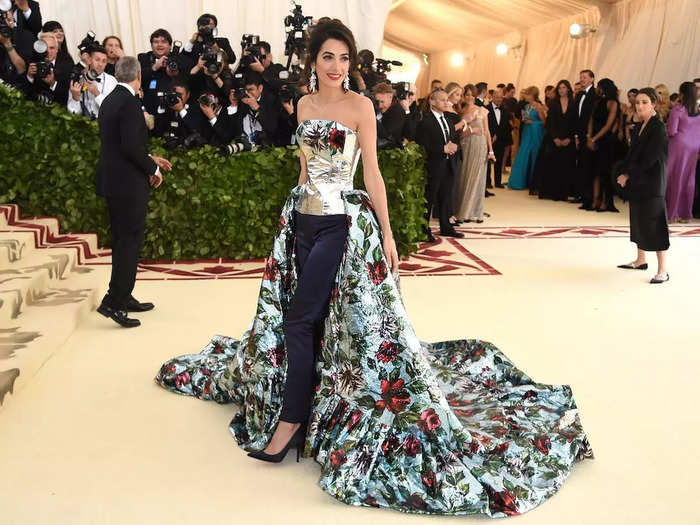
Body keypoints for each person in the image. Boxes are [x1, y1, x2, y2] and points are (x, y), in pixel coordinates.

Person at [154, 19, 592, 517]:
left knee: (298, 319)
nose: (337, 66)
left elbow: (373, 174)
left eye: (344, 58)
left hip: (342, 224)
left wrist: (386, 232)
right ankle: (313, 405)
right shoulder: (304, 105)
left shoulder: (361, 107)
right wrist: (292, 214)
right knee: (311, 321)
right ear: (313, 62)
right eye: (328, 57)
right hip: (302, 221)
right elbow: (303, 167)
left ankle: (292, 422)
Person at [95, 56, 172, 327]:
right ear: (138, 74)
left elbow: (121, 145)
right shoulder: (128, 102)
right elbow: (128, 147)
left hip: (116, 182)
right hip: (127, 184)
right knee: (129, 241)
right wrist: (153, 169)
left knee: (123, 241)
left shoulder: (110, 99)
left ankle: (123, 295)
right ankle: (114, 302)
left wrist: (150, 158)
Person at [616, 87, 669, 283]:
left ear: (654, 104)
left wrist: (628, 175)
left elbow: (650, 159)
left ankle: (663, 270)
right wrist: (624, 171)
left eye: (644, 102)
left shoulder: (658, 127)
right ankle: (640, 260)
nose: (639, 106)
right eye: (637, 102)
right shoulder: (640, 125)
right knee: (638, 219)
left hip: (653, 182)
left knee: (655, 224)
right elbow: (633, 155)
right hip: (639, 181)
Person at [416, 88, 464, 240]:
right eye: (442, 100)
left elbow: (453, 139)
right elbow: (422, 144)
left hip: (448, 164)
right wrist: (442, 149)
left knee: (446, 197)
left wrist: (455, 147)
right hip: (433, 165)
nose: (446, 102)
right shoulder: (425, 121)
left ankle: (446, 227)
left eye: (446, 100)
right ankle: (424, 229)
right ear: (432, 101)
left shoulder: (448, 120)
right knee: (429, 198)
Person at [455, 84, 495, 223]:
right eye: (467, 94)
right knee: (464, 176)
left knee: (477, 177)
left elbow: (487, 131)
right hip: (465, 146)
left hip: (480, 145)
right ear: (463, 96)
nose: (470, 97)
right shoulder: (460, 112)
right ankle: (463, 211)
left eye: (472, 95)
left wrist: (491, 150)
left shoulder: (482, 110)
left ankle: (475, 212)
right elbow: (457, 134)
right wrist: (470, 130)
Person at [665, 81, 700, 222]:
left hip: (678, 145)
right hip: (694, 146)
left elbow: (672, 131)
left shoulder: (678, 110)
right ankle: (685, 214)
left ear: (682, 94)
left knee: (673, 177)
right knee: (688, 179)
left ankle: (672, 213)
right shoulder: (698, 111)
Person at [586, 78, 620, 212]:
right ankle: (595, 199)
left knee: (605, 173)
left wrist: (594, 139)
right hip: (594, 138)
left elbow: (608, 125)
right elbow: (591, 119)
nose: (597, 89)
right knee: (594, 172)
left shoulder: (613, 103)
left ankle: (605, 202)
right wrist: (589, 137)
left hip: (606, 141)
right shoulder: (597, 102)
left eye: (599, 87)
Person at [540, 80, 577, 201]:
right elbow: (550, 122)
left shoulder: (574, 102)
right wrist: (555, 137)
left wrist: (570, 138)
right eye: (559, 88)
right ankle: (553, 193)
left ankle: (564, 193)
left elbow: (575, 122)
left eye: (564, 87)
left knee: (566, 166)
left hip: (568, 139)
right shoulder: (552, 103)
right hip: (554, 139)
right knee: (553, 165)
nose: (561, 90)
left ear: (568, 89)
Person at [508, 86, 546, 190]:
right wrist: (525, 120)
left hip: (535, 134)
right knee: (522, 155)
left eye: (528, 94)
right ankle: (520, 181)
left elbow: (544, 122)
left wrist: (533, 122)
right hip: (526, 133)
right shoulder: (526, 106)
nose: (525, 96)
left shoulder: (538, 106)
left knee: (534, 155)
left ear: (533, 95)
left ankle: (533, 182)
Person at [67, 44, 117, 119]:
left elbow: (113, 110)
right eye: (97, 60)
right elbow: (73, 114)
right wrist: (75, 98)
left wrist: (96, 93)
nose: (100, 64)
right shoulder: (78, 79)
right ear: (89, 60)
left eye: (104, 61)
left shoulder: (112, 81)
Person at [574, 69, 597, 207]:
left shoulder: (594, 94)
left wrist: (590, 136)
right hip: (580, 134)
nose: (582, 79)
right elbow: (577, 117)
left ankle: (588, 197)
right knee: (581, 164)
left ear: (592, 79)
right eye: (580, 77)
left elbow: (591, 117)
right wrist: (576, 134)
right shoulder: (579, 95)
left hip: (589, 135)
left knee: (588, 165)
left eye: (584, 77)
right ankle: (581, 194)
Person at [486, 88, 512, 189]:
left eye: (501, 98)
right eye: (497, 97)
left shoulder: (505, 110)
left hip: (501, 139)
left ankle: (498, 182)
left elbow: (505, 126)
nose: (499, 99)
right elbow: (486, 125)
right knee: (487, 162)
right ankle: (487, 182)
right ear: (492, 97)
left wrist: (498, 135)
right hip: (489, 139)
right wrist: (491, 135)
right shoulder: (486, 109)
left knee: (499, 161)